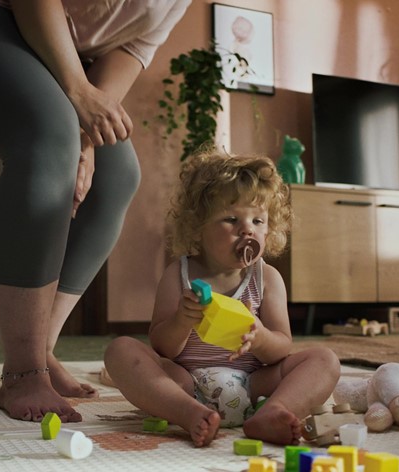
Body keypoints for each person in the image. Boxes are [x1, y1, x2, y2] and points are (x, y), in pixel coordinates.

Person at [0, 0, 191, 423]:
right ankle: (23, 370)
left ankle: (40, 350)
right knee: (49, 132)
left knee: (116, 174)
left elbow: (131, 50)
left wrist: (88, 138)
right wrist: (78, 94)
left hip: (45, 50)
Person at [103, 152, 341, 447]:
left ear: (269, 227)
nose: (247, 229)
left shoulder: (267, 278)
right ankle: (188, 414)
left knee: (324, 360)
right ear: (198, 226)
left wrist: (261, 337)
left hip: (254, 386)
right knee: (121, 350)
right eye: (231, 219)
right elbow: (162, 346)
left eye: (258, 219)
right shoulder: (178, 274)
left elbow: (282, 347)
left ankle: (274, 411)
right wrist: (181, 320)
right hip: (186, 384)